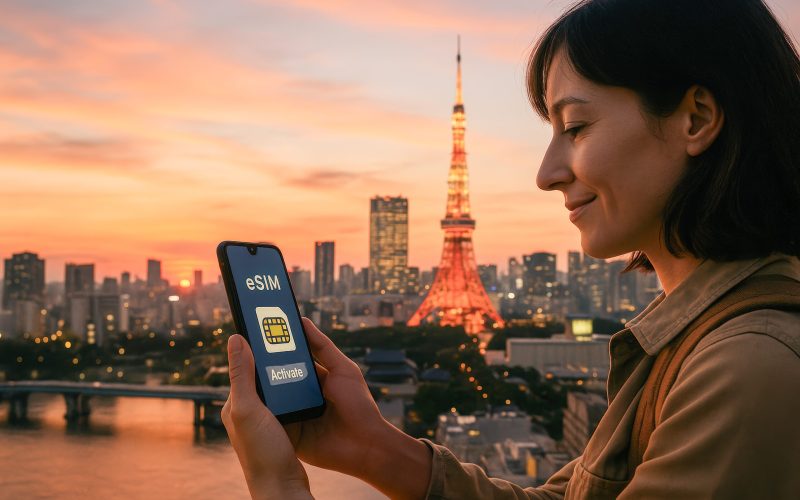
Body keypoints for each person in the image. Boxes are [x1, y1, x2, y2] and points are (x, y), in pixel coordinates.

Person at [222, 0, 800, 498]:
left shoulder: (747, 367)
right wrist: (370, 446)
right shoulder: (692, 342)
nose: (547, 173)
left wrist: (280, 486)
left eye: (574, 128)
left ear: (695, 118)